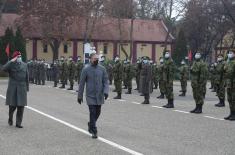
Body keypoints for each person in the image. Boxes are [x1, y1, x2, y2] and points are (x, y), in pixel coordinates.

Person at [77, 53, 109, 138]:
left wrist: (106, 92)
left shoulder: (102, 69)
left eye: (97, 58)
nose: (96, 60)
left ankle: (91, 123)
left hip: (99, 95)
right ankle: (94, 131)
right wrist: (79, 96)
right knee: (92, 112)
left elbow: (106, 81)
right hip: (90, 95)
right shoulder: (86, 69)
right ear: (90, 59)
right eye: (94, 58)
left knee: (98, 112)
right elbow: (82, 83)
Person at [2, 51, 29, 128]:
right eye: (18, 57)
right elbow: (3, 69)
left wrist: (27, 88)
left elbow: (26, 76)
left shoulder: (25, 65)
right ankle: (10, 118)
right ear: (14, 58)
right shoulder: (11, 65)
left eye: (20, 56)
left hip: (22, 87)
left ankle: (18, 123)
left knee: (21, 107)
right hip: (13, 88)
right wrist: (11, 61)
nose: (19, 58)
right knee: (12, 106)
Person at [224, 50, 235, 120]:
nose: (229, 54)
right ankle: (231, 113)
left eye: (231, 53)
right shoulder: (228, 63)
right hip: (228, 83)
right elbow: (225, 72)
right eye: (229, 53)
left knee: (234, 99)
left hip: (234, 83)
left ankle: (234, 114)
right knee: (229, 99)